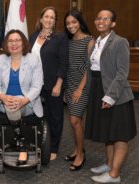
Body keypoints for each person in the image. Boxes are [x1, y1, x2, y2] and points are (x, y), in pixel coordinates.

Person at [85, 9, 137, 183]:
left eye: (106, 19)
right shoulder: (96, 42)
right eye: (98, 18)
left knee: (119, 134)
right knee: (107, 131)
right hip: (98, 89)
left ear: (113, 23)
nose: (101, 21)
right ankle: (109, 164)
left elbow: (122, 73)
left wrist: (110, 96)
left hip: (116, 93)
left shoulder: (119, 41)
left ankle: (115, 174)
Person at [0, 29, 43, 165]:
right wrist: (3, 97)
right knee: (12, 107)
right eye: (10, 41)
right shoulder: (0, 60)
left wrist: (23, 100)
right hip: (4, 103)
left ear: (23, 42)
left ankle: (20, 144)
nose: (14, 43)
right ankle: (22, 144)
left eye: (17, 40)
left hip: (27, 103)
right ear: (6, 44)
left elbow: (37, 85)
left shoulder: (33, 59)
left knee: (14, 107)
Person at [29, 6, 68, 161]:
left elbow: (64, 63)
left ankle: (53, 148)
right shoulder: (33, 37)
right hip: (35, 85)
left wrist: (59, 84)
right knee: (38, 115)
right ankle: (40, 143)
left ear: (54, 21)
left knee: (55, 117)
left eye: (52, 17)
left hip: (53, 84)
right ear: (41, 19)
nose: (49, 19)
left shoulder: (60, 38)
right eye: (46, 16)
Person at [63, 10, 95, 171]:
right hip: (69, 83)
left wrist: (80, 89)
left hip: (82, 84)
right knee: (77, 122)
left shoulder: (89, 40)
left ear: (80, 22)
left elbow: (89, 68)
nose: (71, 26)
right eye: (68, 23)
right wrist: (65, 88)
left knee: (75, 121)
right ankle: (77, 149)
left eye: (74, 22)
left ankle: (81, 155)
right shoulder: (68, 41)